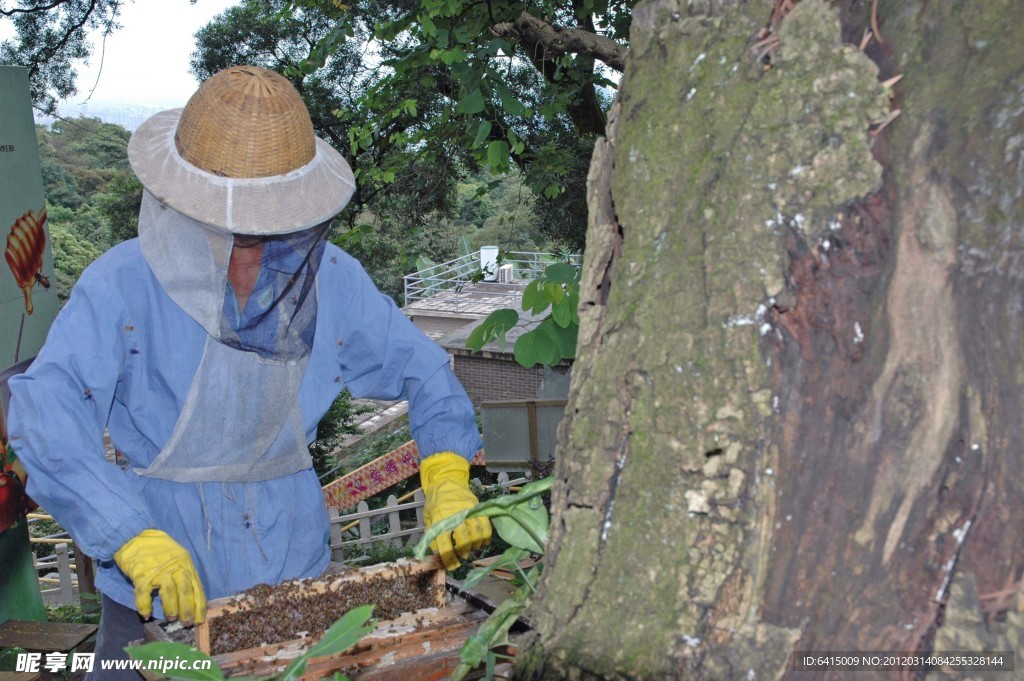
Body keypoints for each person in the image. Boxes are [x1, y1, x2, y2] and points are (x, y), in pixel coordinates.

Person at [7, 65, 490, 677]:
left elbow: (425, 370)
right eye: (225, 234)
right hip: (155, 585)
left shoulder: (333, 279)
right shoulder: (121, 284)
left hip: (295, 570)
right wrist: (127, 534)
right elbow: (45, 411)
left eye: (269, 238)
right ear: (182, 209)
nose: (247, 257)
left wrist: (447, 474)